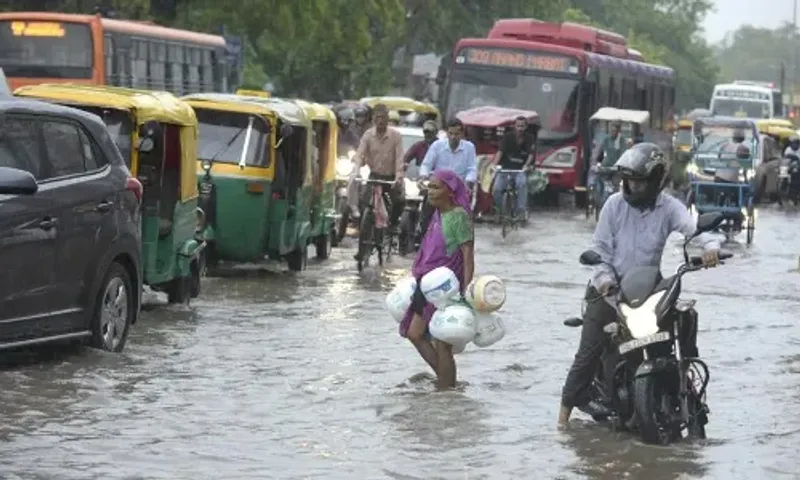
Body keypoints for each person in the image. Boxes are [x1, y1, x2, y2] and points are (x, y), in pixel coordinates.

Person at [558, 143, 721, 426]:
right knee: (587, 355)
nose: (633, 186)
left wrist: (711, 247)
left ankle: (687, 392)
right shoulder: (613, 205)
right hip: (607, 291)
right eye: (629, 180)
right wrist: (606, 282)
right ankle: (562, 420)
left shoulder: (669, 207)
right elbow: (599, 249)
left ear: (657, 180)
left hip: (648, 291)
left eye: (640, 181)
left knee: (681, 323)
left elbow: (692, 228)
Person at [399, 169, 475, 389]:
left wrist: (464, 293)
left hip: (445, 288)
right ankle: (448, 385)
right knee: (415, 334)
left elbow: (468, 257)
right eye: (429, 187)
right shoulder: (436, 214)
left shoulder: (458, 216)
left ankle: (446, 391)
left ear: (449, 192)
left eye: (436, 187)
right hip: (427, 284)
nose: (430, 192)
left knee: (442, 343)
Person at [353, 103, 405, 245]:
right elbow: (359, 154)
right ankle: (364, 235)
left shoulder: (396, 136)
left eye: (383, 117)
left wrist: (398, 177)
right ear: (373, 119)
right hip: (374, 176)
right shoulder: (368, 135)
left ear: (388, 119)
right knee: (364, 201)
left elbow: (400, 158)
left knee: (399, 201)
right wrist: (357, 169)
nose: (380, 121)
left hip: (390, 178)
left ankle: (392, 227)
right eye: (377, 117)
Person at [419, 118, 478, 237]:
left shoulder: (469, 147)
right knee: (426, 215)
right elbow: (426, 164)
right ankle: (424, 237)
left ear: (461, 134)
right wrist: (424, 176)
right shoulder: (437, 145)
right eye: (450, 133)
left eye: (456, 134)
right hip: (438, 187)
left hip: (458, 189)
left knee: (464, 220)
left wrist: (468, 182)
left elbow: (472, 169)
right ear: (446, 133)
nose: (453, 137)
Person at [492, 116, 535, 217]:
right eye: (518, 126)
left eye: (522, 126)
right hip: (505, 169)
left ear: (526, 127)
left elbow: (531, 154)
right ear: (514, 126)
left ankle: (520, 212)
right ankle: (500, 211)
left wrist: (526, 165)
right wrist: (494, 165)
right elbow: (500, 151)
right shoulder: (507, 137)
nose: (520, 128)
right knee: (497, 189)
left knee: (522, 184)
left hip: (520, 170)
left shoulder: (529, 138)